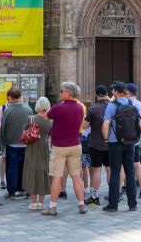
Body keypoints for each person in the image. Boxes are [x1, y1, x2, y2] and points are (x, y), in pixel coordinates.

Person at [43, 81, 88, 216]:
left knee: (56, 176)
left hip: (60, 146)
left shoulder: (58, 107)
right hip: (75, 144)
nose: (60, 93)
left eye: (62, 91)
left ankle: (52, 206)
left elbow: (46, 117)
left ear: (68, 92)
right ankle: (81, 205)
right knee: (76, 176)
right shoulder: (80, 107)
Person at [101, 81, 141, 212]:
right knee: (130, 172)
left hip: (115, 143)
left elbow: (106, 124)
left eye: (113, 90)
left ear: (117, 92)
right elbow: (140, 121)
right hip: (130, 142)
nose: (112, 91)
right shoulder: (131, 104)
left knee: (115, 173)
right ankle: (133, 204)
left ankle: (113, 205)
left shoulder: (112, 106)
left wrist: (106, 139)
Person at [0, 86, 33, 199]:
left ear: (10, 97)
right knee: (25, 167)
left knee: (12, 168)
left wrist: (2, 144)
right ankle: (26, 190)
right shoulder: (28, 110)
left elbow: (3, 128)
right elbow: (31, 127)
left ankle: (11, 192)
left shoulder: (7, 110)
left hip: (12, 143)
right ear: (20, 96)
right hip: (26, 143)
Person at [23, 96, 52, 210]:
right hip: (44, 147)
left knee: (32, 171)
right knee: (43, 172)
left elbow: (24, 132)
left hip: (32, 147)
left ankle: (33, 202)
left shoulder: (31, 119)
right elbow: (50, 134)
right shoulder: (49, 121)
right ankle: (41, 202)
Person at [83, 85, 110, 206]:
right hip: (110, 143)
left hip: (96, 143)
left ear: (96, 95)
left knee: (97, 170)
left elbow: (84, 126)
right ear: (106, 94)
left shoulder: (93, 109)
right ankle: (113, 193)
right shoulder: (112, 106)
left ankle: (95, 196)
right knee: (110, 169)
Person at [124, 83, 141, 199]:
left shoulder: (123, 103)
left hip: (123, 140)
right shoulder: (140, 105)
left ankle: (121, 189)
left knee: (122, 165)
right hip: (135, 139)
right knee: (137, 164)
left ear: (127, 92)